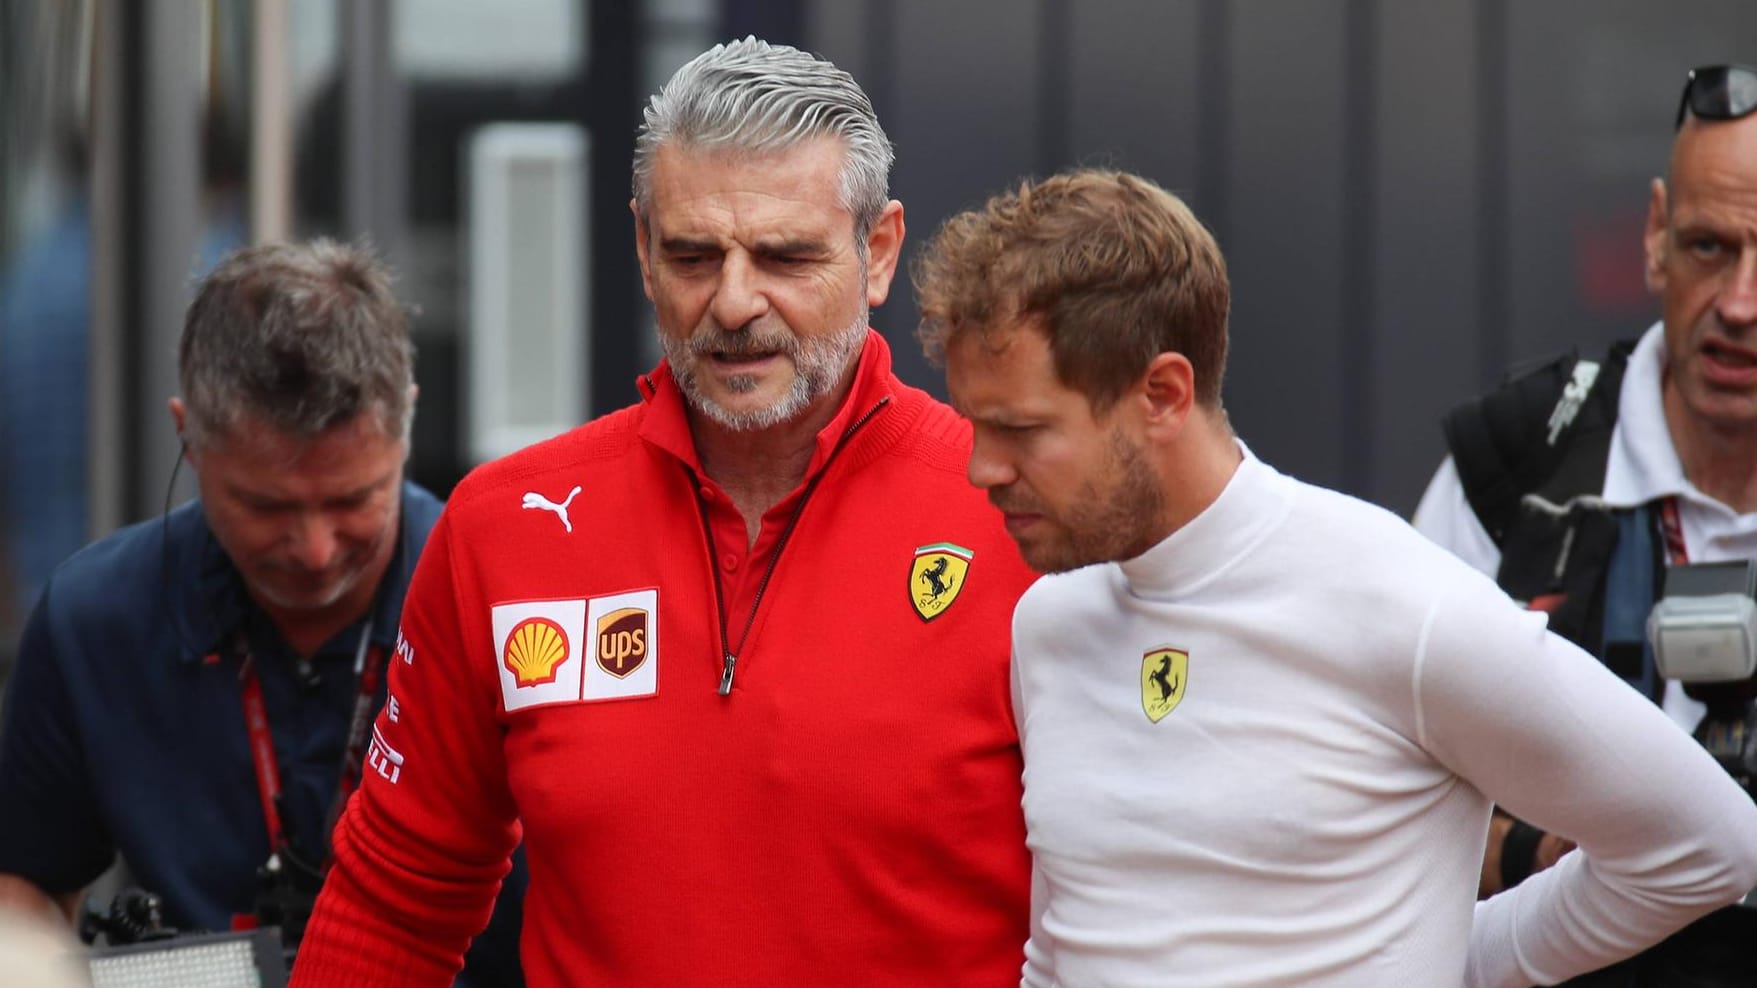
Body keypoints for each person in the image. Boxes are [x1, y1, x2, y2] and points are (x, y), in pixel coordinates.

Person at [288, 38, 1037, 987]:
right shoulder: (502, 528)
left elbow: (1133, 912)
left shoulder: (1022, 524)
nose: (731, 302)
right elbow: (391, 907)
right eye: (692, 255)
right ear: (642, 251)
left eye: (783, 255)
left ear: (877, 250)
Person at [912, 167, 1757, 988]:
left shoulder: (1399, 604)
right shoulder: (1047, 619)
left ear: (1162, 394)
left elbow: (1709, 843)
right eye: (975, 425)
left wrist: (1455, 962)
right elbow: (1066, 948)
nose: (982, 468)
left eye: (1020, 429)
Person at [0, 240, 525, 985]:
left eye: (352, 500)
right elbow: (26, 884)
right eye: (265, 505)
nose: (314, 551)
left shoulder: (511, 605)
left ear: (405, 425)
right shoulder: (94, 619)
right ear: (186, 435)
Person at [1412, 63, 1757, 985]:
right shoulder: (1516, 470)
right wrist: (1539, 850)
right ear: (1653, 236)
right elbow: (1387, 803)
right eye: (1707, 248)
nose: (1738, 306)